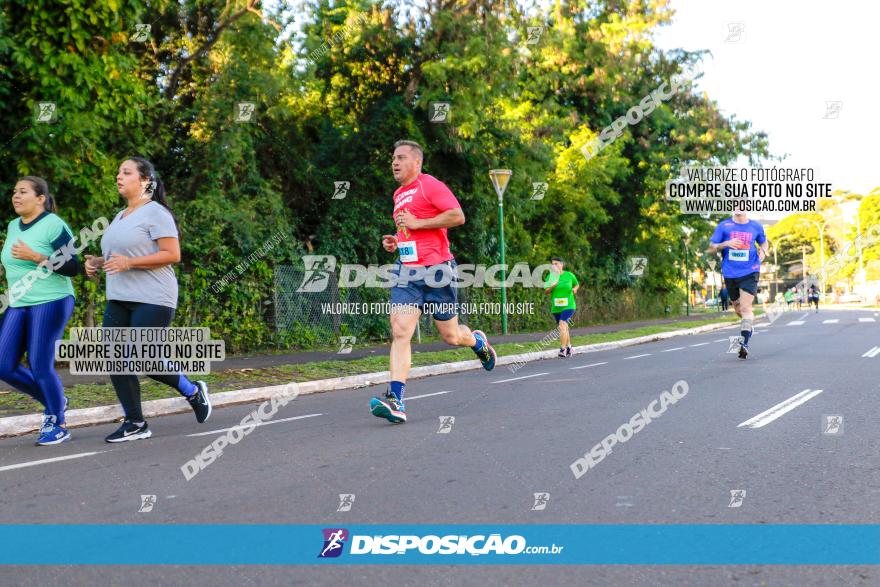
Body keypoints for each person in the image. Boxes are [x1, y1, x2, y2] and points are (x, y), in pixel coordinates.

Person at [85, 157, 211, 442]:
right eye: (118, 172)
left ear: (145, 181)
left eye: (126, 172)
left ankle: (192, 390)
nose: (119, 176)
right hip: (119, 296)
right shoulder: (119, 216)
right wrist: (96, 262)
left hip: (153, 296)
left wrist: (129, 264)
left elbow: (172, 254)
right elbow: (119, 257)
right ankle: (135, 423)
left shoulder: (156, 213)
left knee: (147, 358)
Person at [372, 140, 496, 424]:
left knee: (451, 336)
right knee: (400, 330)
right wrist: (397, 240)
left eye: (401, 158)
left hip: (438, 268)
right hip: (408, 270)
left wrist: (417, 224)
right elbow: (409, 228)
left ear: (417, 162)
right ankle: (396, 400)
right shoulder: (398, 194)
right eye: (393, 158)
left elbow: (457, 216)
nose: (394, 162)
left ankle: (476, 341)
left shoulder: (430, 185)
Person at [0, 177, 79, 445]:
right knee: (3, 364)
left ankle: (58, 422)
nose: (16, 196)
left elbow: (73, 266)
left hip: (52, 299)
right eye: (14, 192)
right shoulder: (13, 226)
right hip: (19, 302)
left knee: (39, 363)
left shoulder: (53, 224)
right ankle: (55, 399)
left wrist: (37, 257)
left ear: (41, 198)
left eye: (23, 192)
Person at [707, 209, 768, 359]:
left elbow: (764, 242)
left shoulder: (756, 226)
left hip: (750, 270)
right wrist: (725, 243)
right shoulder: (724, 226)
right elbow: (711, 248)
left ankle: (744, 344)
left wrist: (763, 251)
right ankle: (748, 327)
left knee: (746, 308)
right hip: (730, 272)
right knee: (738, 309)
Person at [544, 257, 578, 357]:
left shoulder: (569, 275)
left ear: (562, 265)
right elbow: (546, 291)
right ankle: (569, 348)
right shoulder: (550, 277)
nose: (554, 266)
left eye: (556, 264)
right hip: (556, 307)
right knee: (564, 328)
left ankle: (562, 349)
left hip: (569, 305)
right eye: (552, 264)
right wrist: (553, 286)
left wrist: (575, 289)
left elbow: (577, 284)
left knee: (562, 325)